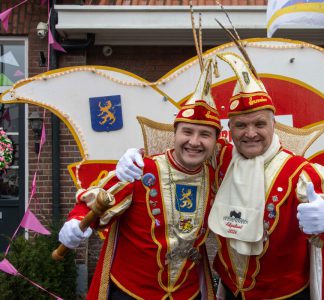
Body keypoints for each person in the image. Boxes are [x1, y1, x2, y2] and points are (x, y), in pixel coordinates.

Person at [117, 53, 324, 300]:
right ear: (230, 130)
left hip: (285, 295)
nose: (250, 133)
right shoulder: (221, 156)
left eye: (259, 124)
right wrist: (135, 155)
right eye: (241, 125)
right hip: (231, 291)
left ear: (274, 125)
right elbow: (184, 148)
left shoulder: (301, 172)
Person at [58, 59, 221, 300]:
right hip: (130, 292)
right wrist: (76, 222)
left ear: (216, 141)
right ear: (174, 134)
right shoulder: (140, 169)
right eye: (187, 131)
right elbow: (96, 201)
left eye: (205, 134)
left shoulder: (217, 179)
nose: (194, 142)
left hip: (187, 294)